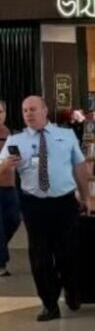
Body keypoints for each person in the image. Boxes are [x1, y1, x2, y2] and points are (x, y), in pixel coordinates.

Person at [1, 96, 89, 321]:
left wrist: (85, 196)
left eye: (33, 109)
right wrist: (5, 165)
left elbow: (79, 166)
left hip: (64, 202)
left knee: (68, 252)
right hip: (34, 204)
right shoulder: (15, 140)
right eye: (24, 110)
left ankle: (72, 290)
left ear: (45, 110)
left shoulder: (66, 135)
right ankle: (49, 304)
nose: (28, 114)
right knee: (39, 257)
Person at [0, 100, 19, 278]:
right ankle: (1, 263)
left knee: (14, 220)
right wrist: (4, 165)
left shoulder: (10, 134)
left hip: (9, 186)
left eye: (0, 112)